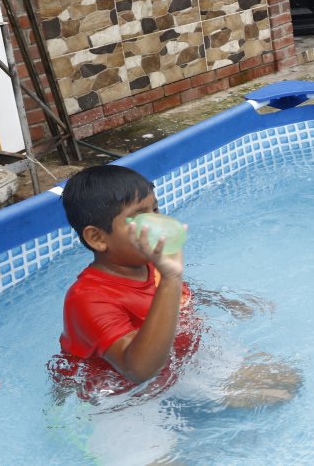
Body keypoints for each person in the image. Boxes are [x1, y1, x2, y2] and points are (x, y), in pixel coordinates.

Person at [54, 165, 300, 404]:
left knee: (286, 381)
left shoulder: (148, 263)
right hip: (120, 395)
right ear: (97, 238)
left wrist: (220, 300)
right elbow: (137, 370)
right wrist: (171, 277)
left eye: (156, 210)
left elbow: (177, 292)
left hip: (179, 362)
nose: (157, 223)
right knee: (160, 447)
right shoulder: (88, 299)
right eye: (140, 218)